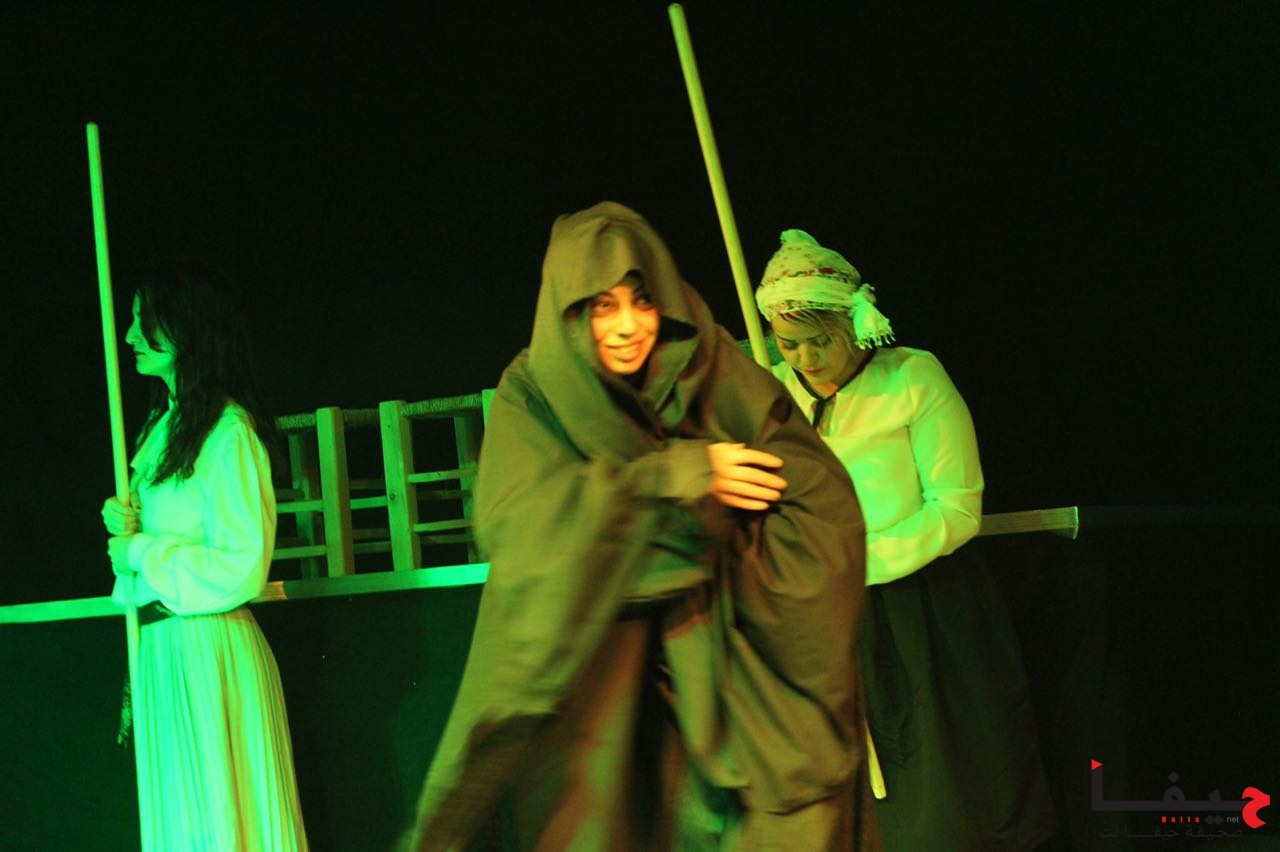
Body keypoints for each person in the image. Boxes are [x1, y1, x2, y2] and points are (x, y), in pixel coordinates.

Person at [401, 203, 879, 851]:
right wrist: (670, 480)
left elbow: (820, 504)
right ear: (568, 310)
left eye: (643, 301)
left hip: (737, 685)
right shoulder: (536, 393)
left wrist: (728, 558)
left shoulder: (712, 367)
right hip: (604, 693)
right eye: (603, 306)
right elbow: (522, 526)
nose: (629, 326)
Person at [755, 229, 1057, 851]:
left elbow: (956, 507)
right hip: (822, 610)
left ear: (855, 324)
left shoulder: (911, 378)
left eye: (820, 341)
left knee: (952, 779)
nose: (806, 359)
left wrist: (859, 563)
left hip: (923, 604)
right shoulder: (770, 396)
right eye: (789, 344)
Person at [100, 263, 309, 851]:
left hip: (206, 652)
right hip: (165, 651)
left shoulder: (228, 433)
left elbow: (242, 564)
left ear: (187, 327)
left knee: (219, 820)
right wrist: (131, 528)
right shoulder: (162, 428)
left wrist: (142, 548)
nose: (130, 336)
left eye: (144, 321)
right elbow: (157, 550)